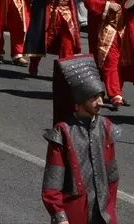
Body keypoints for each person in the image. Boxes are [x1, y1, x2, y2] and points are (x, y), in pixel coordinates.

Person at [40, 55, 120, 224]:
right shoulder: (62, 132)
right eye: (94, 98)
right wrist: (60, 217)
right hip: (74, 215)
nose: (100, 102)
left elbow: (112, 176)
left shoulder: (106, 127)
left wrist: (110, 210)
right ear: (80, 100)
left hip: (103, 214)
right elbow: (51, 185)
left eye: (101, 96)